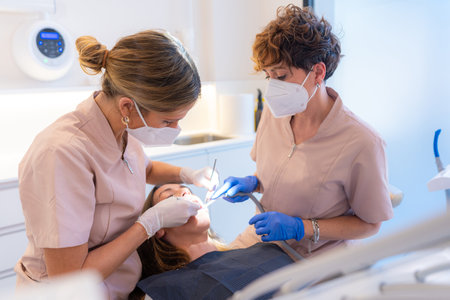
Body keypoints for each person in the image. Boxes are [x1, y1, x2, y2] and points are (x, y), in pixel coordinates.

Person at [15, 30, 218, 300]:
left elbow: (141, 169)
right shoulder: (62, 154)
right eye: (168, 121)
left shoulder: (122, 129)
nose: (176, 129)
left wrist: (188, 174)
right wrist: (149, 223)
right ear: (127, 107)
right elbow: (69, 279)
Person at [212, 4, 393, 258]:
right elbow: (284, 169)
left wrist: (301, 228)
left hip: (315, 258)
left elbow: (370, 224)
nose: (273, 87)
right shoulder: (274, 114)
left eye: (282, 76)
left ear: (318, 72)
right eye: (268, 76)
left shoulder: (362, 142)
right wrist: (253, 183)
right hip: (263, 243)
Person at [130, 184, 295, 300]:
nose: (186, 192)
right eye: (170, 195)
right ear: (158, 228)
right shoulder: (164, 289)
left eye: (187, 190)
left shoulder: (263, 250)